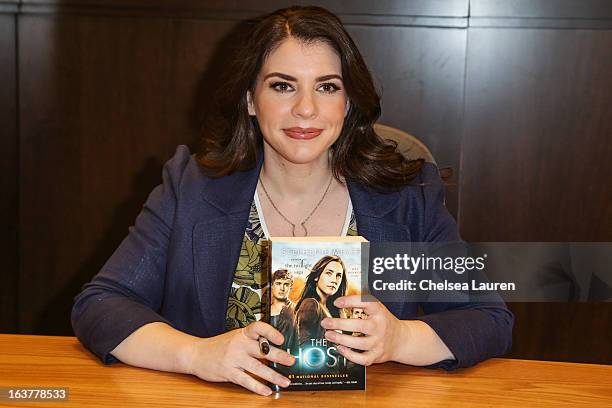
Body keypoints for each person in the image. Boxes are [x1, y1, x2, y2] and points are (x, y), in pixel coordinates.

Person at [71, 5, 513, 397]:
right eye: (283, 86)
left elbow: (488, 318)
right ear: (250, 99)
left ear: (348, 102)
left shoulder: (407, 197)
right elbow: (101, 304)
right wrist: (196, 355)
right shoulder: (191, 186)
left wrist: (399, 340)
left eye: (326, 87)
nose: (306, 109)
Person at [294, 255, 347, 346]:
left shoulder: (335, 311)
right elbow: (304, 345)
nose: (334, 280)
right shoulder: (311, 304)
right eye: (329, 273)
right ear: (316, 277)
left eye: (338, 276)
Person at [269, 269, 296, 351]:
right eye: (278, 283)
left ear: (290, 287)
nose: (282, 288)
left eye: (286, 284)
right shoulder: (264, 311)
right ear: (272, 285)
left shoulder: (297, 310)